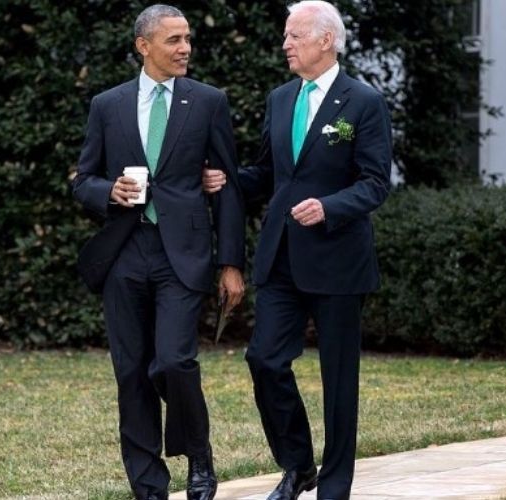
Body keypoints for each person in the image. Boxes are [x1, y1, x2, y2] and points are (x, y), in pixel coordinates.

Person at [202, 1, 392, 498]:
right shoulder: (281, 98)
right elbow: (270, 174)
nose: (285, 44)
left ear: (326, 40)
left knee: (339, 383)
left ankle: (334, 487)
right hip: (282, 257)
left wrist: (329, 207)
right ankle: (297, 466)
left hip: (338, 261)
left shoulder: (363, 102)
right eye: (287, 36)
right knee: (264, 359)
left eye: (294, 35)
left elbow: (375, 183)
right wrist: (227, 181)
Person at [72, 5, 246, 499]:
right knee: (131, 372)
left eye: (187, 38)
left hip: (183, 254)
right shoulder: (107, 105)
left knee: (173, 362)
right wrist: (108, 192)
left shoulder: (209, 101)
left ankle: (199, 456)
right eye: (173, 40)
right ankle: (148, 485)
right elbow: (83, 179)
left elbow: (228, 186)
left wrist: (231, 262)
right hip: (125, 253)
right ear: (143, 46)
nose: (185, 48)